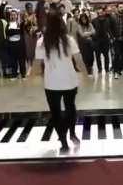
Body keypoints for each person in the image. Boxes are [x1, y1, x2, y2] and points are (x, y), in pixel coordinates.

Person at [35, 11, 88, 152]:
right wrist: (86, 75)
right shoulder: (69, 40)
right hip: (69, 81)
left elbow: (36, 65)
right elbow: (79, 60)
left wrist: (29, 77)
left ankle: (63, 141)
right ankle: (72, 133)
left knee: (56, 113)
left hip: (51, 83)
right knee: (70, 109)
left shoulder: (42, 41)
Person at [6, 10, 26, 80]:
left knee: (21, 61)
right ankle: (14, 75)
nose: (13, 16)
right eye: (12, 15)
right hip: (11, 44)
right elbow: (8, 33)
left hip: (19, 45)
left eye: (14, 15)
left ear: (17, 16)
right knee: (13, 61)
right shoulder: (8, 24)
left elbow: (21, 32)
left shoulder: (20, 23)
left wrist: (13, 31)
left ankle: (23, 75)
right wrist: (15, 31)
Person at [92, 8, 112, 75]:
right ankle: (99, 69)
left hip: (105, 40)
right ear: (97, 12)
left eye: (101, 11)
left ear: (103, 12)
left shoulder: (107, 20)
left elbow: (109, 29)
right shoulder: (94, 21)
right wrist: (93, 37)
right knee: (97, 56)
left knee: (106, 56)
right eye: (99, 11)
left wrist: (111, 37)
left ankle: (106, 69)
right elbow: (92, 30)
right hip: (97, 41)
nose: (100, 13)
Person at [112, 4, 123, 79]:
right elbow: (110, 28)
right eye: (120, 7)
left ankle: (121, 70)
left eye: (122, 7)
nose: (121, 8)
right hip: (116, 39)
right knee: (117, 55)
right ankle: (115, 71)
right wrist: (113, 37)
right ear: (117, 8)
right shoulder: (113, 17)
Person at [22, 3, 38, 76]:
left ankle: (31, 66)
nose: (30, 9)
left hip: (34, 35)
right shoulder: (23, 14)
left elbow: (37, 24)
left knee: (33, 51)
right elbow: (24, 23)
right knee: (27, 50)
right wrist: (28, 19)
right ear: (26, 8)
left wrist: (36, 28)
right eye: (28, 8)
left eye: (31, 8)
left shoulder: (35, 15)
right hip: (26, 34)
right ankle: (28, 66)